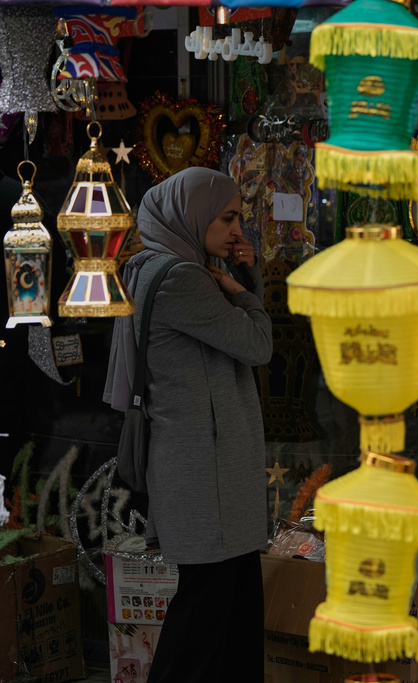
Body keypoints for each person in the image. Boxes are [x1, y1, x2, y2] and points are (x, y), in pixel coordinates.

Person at [103, 167, 272, 681]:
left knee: (236, 605)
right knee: (204, 611)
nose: (236, 231)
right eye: (225, 218)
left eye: (239, 217)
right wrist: (242, 290)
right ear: (191, 215)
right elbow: (257, 344)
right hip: (206, 473)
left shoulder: (153, 266)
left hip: (207, 465)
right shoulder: (181, 279)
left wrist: (241, 275)